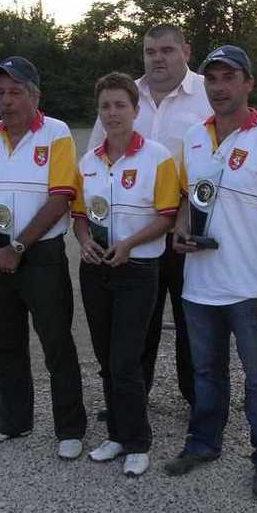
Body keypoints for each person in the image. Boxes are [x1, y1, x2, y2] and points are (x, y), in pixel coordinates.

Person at [164, 45, 257, 501]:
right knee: (206, 373)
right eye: (212, 78)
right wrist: (181, 228)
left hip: (248, 287)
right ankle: (203, 443)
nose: (219, 87)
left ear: (248, 83)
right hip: (200, 286)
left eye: (229, 78)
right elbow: (187, 198)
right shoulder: (193, 137)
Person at [0, 56, 87, 459]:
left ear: (35, 95)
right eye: (0, 92)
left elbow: (61, 196)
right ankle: (12, 421)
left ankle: (69, 428)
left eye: (16, 92)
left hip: (40, 255)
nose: (6, 100)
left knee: (55, 342)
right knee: (0, 342)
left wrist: (19, 247)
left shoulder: (56, 133)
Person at [88, 25, 212, 415]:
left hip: (187, 227)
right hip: (135, 233)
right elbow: (96, 157)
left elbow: (216, 164)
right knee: (138, 321)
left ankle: (197, 400)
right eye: (150, 51)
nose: (158, 58)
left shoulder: (208, 96)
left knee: (190, 319)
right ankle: (132, 396)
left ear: (186, 51)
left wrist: (187, 216)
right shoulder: (124, 97)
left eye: (167, 50)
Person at [73, 72, 180, 476]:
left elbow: (167, 216)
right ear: (99, 113)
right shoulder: (88, 162)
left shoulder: (157, 157)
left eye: (120, 105)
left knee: (126, 359)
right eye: (105, 106)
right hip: (95, 270)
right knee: (105, 359)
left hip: (137, 269)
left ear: (135, 110)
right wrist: (84, 241)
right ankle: (116, 435)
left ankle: (138, 441)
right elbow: (80, 217)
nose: (113, 113)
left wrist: (129, 244)